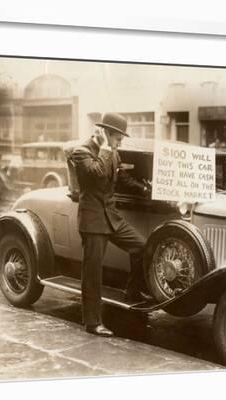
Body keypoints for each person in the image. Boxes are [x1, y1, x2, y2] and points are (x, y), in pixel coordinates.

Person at [69, 112, 150, 337]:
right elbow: (97, 173)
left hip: (111, 217)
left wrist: (144, 188)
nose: (120, 142)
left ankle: (132, 292)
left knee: (142, 247)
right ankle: (92, 322)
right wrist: (105, 148)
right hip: (93, 220)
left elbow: (120, 176)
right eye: (118, 138)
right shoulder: (81, 152)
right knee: (93, 273)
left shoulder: (112, 153)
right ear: (105, 133)